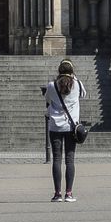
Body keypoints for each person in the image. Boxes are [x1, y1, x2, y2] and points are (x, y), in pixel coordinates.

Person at [42, 58, 87, 203]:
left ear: (59, 71)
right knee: (70, 159)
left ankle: (57, 194)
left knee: (56, 159)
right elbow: (83, 95)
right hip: (71, 128)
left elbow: (47, 99)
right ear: (72, 72)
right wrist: (74, 78)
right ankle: (68, 193)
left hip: (55, 126)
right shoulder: (77, 85)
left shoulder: (51, 85)